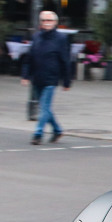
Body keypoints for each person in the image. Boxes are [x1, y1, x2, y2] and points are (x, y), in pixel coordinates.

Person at [21, 11, 71, 145]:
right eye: (43, 20)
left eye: (49, 20)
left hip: (51, 77)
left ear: (55, 22)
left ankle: (38, 134)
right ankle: (57, 130)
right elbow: (29, 57)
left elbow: (65, 60)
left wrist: (67, 81)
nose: (46, 23)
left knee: (44, 107)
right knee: (45, 108)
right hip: (37, 77)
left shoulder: (61, 38)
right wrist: (25, 75)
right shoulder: (36, 37)